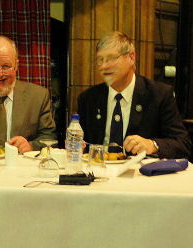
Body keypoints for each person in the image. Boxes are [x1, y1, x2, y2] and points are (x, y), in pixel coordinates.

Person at [78, 31, 191, 159]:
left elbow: (183, 144)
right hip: (100, 173)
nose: (104, 66)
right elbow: (84, 144)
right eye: (100, 60)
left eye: (111, 58)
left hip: (141, 175)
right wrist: (77, 145)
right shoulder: (88, 98)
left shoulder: (159, 95)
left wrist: (152, 145)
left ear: (131, 58)